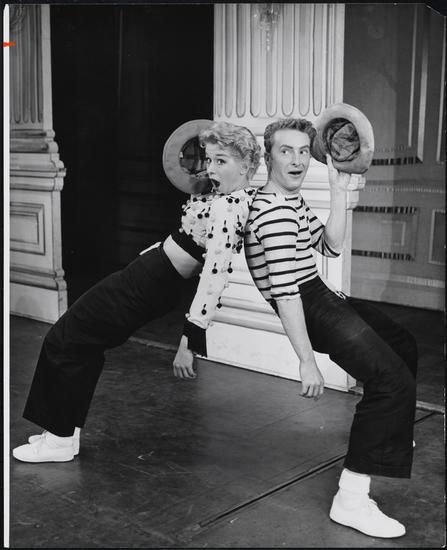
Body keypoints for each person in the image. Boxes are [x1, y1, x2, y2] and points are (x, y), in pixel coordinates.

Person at [12, 121, 261, 463]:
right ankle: (62, 434)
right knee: (81, 342)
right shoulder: (228, 198)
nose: (211, 169)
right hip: (148, 274)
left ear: (246, 165)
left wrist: (189, 340)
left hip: (150, 283)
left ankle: (59, 441)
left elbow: (214, 275)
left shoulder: (228, 207)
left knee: (65, 338)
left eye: (221, 161)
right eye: (210, 160)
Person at [243, 117, 417, 538]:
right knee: (391, 381)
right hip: (307, 303)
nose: (297, 160)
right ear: (268, 157)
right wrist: (306, 361)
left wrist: (338, 192)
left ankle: (388, 436)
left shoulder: (291, 200)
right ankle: (351, 499)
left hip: (319, 292)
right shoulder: (273, 213)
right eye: (286, 151)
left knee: (403, 344)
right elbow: (286, 294)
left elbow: (330, 246)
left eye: (304, 151)